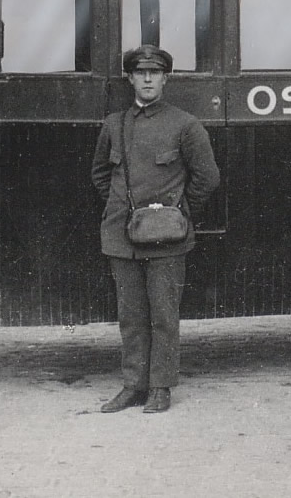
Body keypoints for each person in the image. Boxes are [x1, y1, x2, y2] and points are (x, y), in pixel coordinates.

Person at [90, 45, 220, 414]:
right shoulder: (114, 125)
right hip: (122, 236)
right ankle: (133, 385)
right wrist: (123, 210)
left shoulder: (185, 125)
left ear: (165, 78)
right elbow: (100, 174)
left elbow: (207, 178)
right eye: (141, 73)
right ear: (130, 78)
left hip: (167, 237)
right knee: (131, 317)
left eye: (155, 73)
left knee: (164, 315)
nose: (148, 79)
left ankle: (161, 387)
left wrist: (178, 212)